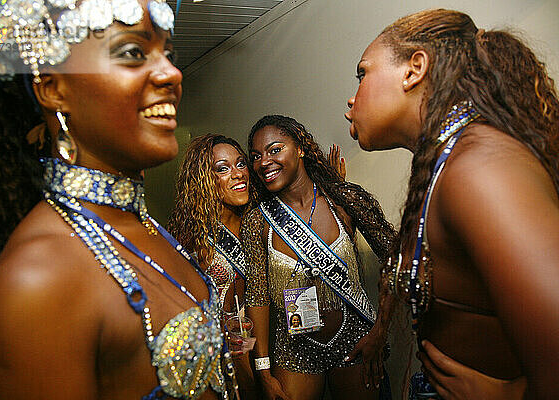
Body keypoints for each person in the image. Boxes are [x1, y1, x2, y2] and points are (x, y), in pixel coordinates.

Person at [0, 1, 232, 399]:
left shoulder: (139, 227)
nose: (172, 73)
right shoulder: (38, 280)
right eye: (132, 52)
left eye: (168, 53)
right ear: (53, 89)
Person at [344, 8, 559, 399]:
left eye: (363, 73)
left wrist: (511, 396)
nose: (352, 95)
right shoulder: (444, 164)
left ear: (414, 69)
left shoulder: (479, 168)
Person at [242, 115, 396, 400]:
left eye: (275, 150)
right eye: (256, 156)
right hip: (294, 348)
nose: (264, 162)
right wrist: (263, 371)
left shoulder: (344, 200)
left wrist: (380, 331)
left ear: (300, 147)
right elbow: (258, 296)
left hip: (353, 339)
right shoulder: (258, 221)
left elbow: (397, 258)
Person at [168, 134, 260, 399]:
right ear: (204, 180)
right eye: (223, 168)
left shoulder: (259, 222)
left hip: (268, 350)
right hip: (222, 361)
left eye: (241, 164)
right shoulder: (192, 239)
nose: (237, 174)